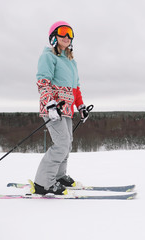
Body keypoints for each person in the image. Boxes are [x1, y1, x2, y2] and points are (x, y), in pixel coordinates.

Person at [32, 21, 89, 195]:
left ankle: (59, 176)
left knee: (67, 143)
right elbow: (43, 82)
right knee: (62, 144)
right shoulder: (48, 56)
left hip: (66, 109)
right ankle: (43, 183)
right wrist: (50, 104)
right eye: (63, 32)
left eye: (70, 33)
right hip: (53, 108)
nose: (67, 36)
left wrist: (81, 106)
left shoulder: (72, 62)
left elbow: (75, 88)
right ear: (53, 37)